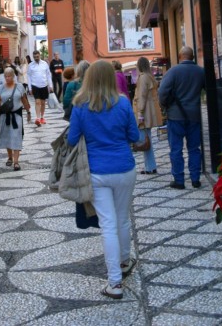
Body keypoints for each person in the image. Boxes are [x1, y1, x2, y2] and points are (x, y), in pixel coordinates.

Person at [68, 60, 141, 299]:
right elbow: (134, 136)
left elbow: (72, 140)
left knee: (108, 225)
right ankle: (124, 261)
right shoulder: (123, 103)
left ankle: (114, 283)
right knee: (122, 218)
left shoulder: (80, 105)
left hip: (97, 172)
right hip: (124, 168)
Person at [158, 46, 205, 189]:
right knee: (194, 148)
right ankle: (195, 179)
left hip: (175, 115)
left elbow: (162, 92)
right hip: (194, 115)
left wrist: (164, 105)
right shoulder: (201, 71)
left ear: (180, 56)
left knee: (176, 149)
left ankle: (179, 180)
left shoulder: (173, 71)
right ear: (193, 57)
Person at [0, 67, 30, 170]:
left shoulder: (20, 87)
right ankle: (10, 157)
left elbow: (24, 100)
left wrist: (28, 112)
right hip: (4, 116)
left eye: (9, 76)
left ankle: (16, 162)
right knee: (8, 137)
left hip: (16, 115)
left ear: (13, 76)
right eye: (6, 76)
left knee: (16, 136)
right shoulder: (1, 88)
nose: (7, 78)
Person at [134, 57, 163, 175]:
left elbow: (142, 97)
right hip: (150, 112)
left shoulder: (143, 78)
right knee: (147, 139)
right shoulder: (149, 76)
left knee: (145, 141)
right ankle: (151, 166)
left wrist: (140, 113)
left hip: (144, 113)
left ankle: (150, 167)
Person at [26, 50, 51, 125]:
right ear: (33, 57)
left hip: (44, 85)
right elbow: (28, 76)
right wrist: (30, 88)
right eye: (34, 57)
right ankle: (37, 118)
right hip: (35, 85)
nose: (36, 58)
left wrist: (50, 85)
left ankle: (42, 117)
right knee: (37, 102)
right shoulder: (30, 65)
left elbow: (48, 75)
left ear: (39, 55)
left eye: (37, 56)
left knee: (43, 102)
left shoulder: (45, 64)